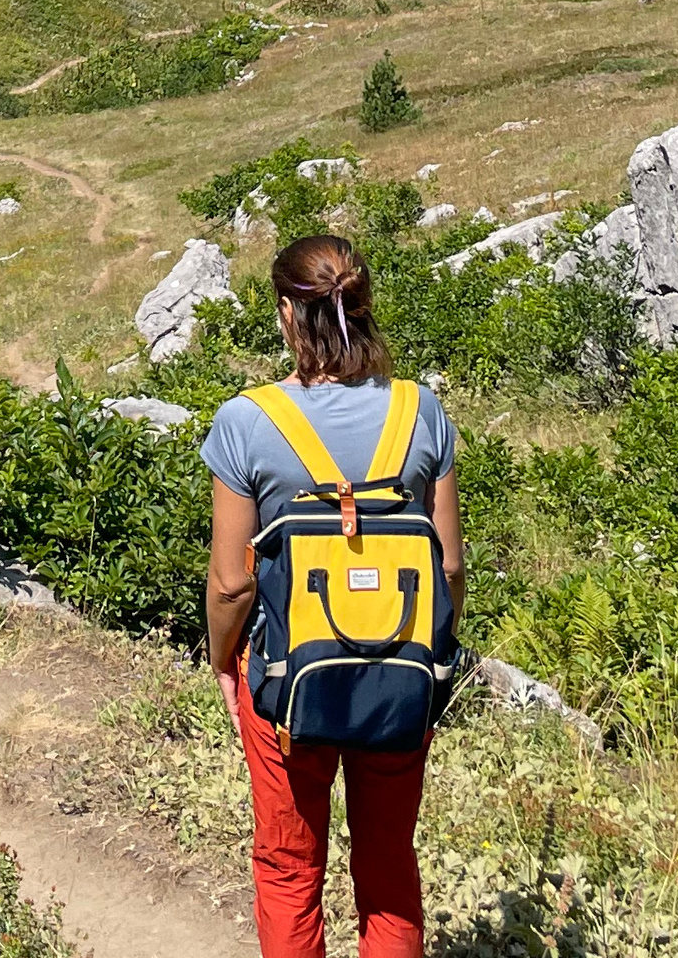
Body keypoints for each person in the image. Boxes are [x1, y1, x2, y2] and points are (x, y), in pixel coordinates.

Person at [201, 233, 465, 958]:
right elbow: (446, 571)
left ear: (287, 313)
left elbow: (232, 582)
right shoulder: (422, 411)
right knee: (387, 866)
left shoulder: (247, 421)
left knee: (290, 868)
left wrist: (226, 660)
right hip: (399, 678)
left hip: (287, 684)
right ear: (364, 305)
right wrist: (423, 659)